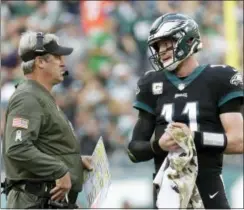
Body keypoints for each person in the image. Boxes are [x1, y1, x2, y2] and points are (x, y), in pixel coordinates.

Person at [127, 13, 243, 209]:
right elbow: (134, 150)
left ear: (187, 40)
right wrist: (158, 145)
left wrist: (193, 138)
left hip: (208, 187)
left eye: (166, 43)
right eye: (157, 46)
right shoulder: (151, 83)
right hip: (166, 191)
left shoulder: (220, 78)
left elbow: (239, 142)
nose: (161, 51)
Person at [2, 31, 93, 209]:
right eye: (57, 57)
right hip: (34, 201)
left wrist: (72, 162)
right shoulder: (27, 97)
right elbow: (17, 147)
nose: (63, 63)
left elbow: (43, 145)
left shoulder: (39, 95)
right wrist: (59, 169)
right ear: (40, 62)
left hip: (44, 200)